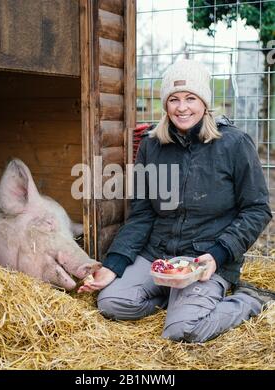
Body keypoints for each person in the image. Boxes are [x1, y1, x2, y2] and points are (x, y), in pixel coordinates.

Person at [78, 59, 275, 343]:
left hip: (203, 259)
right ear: (165, 104)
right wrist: (115, 264)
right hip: (157, 255)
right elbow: (142, 214)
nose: (182, 107)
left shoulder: (234, 144)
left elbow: (257, 210)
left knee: (183, 330)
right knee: (112, 303)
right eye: (174, 99)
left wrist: (218, 255)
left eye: (190, 98)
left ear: (205, 102)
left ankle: (248, 301)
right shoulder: (151, 146)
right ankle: (173, 299)